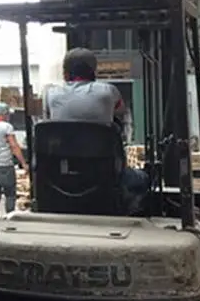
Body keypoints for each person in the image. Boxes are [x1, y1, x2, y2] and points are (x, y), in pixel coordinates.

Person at [43, 47, 148, 213]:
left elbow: (49, 118)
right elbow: (119, 110)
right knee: (142, 179)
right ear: (93, 70)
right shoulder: (108, 91)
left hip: (61, 176)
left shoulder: (51, 94)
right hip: (103, 174)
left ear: (65, 72)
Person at [0, 102, 28, 217]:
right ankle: (9, 214)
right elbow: (14, 146)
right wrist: (23, 163)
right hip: (5, 164)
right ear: (4, 114)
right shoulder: (6, 127)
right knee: (10, 193)